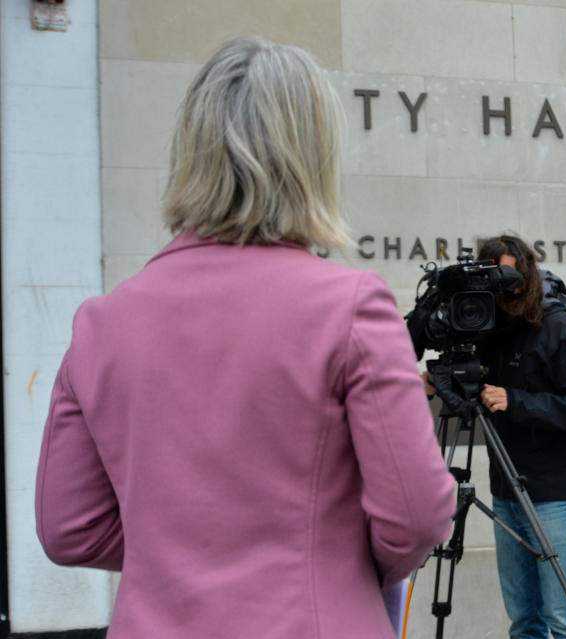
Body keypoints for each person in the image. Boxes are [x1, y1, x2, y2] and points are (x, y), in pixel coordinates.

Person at [35, 37, 455, 639]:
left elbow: (67, 527)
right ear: (312, 156)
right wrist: (328, 564)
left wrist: (181, 558)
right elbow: (415, 516)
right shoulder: (349, 306)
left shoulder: (101, 322)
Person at [436, 235, 566, 639]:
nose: (503, 290)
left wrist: (517, 402)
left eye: (508, 277)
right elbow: (468, 388)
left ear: (526, 276)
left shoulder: (562, 330)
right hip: (505, 493)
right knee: (524, 623)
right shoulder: (491, 332)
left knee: (563, 621)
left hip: (553, 497)